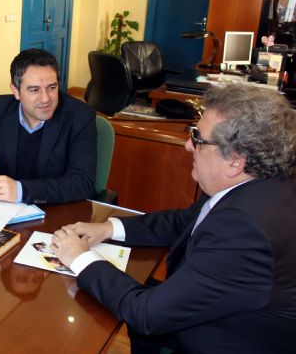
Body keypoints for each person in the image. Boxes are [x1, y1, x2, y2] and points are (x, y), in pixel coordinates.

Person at [51, 83, 296, 353]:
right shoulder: (255, 182)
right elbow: (184, 221)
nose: (187, 145)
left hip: (221, 339)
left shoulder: (243, 232)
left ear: (235, 160)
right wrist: (108, 228)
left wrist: (79, 258)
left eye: (198, 138)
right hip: (215, 309)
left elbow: (146, 315)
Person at [0, 48, 96, 204]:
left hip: (59, 212)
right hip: (4, 212)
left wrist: (21, 190)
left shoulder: (79, 117)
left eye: (52, 88)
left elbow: (82, 182)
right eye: (34, 90)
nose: (45, 98)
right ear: (15, 91)